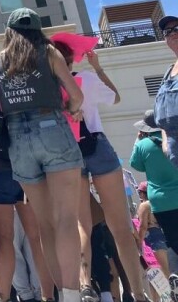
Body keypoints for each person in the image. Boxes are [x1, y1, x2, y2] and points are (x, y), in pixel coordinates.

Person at [0, 7, 85, 302]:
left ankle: (58, 296)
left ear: (9, 32)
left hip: (18, 139)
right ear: (37, 30)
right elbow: (76, 96)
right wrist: (70, 110)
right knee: (66, 218)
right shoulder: (48, 52)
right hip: (52, 127)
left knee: (45, 225)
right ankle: (72, 295)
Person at [51, 41, 148, 302]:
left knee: (83, 224)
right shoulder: (86, 79)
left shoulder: (48, 89)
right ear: (72, 59)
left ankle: (85, 284)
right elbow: (115, 98)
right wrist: (98, 67)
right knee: (119, 225)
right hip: (97, 145)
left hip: (70, 153)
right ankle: (139, 293)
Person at [0, 113, 56, 302]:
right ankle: (48, 295)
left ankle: (2, 296)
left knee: (4, 239)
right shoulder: (17, 100)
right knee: (37, 237)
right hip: (28, 171)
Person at [130, 111, 178, 293]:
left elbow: (136, 165)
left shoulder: (143, 145)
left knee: (172, 240)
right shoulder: (174, 138)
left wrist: (138, 141)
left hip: (160, 201)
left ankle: (175, 275)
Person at [154, 15, 178, 168]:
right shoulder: (168, 72)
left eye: (177, 29)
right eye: (167, 31)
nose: (173, 33)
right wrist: (165, 143)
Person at [137, 181, 172, 278]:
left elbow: (143, 226)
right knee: (170, 269)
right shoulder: (161, 200)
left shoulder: (145, 205)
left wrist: (139, 242)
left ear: (143, 193)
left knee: (163, 273)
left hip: (153, 238)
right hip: (166, 235)